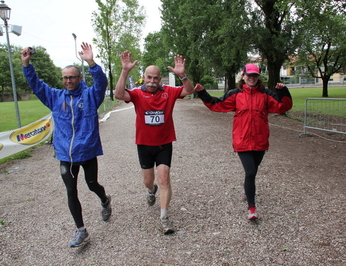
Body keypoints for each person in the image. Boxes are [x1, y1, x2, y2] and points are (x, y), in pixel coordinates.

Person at [21, 43, 112, 247]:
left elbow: (101, 83)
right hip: (65, 154)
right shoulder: (55, 97)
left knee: (92, 184)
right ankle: (81, 231)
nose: (68, 80)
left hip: (87, 151)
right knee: (71, 191)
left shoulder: (91, 96)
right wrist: (27, 65)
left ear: (79, 78)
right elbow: (36, 85)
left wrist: (91, 63)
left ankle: (105, 200)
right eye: (65, 77)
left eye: (72, 77)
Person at [194, 63, 293, 220]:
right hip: (242, 141)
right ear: (243, 75)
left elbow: (282, 107)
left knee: (252, 172)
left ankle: (247, 190)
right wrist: (202, 93)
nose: (252, 78)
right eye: (249, 75)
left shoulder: (266, 94)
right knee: (250, 172)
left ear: (258, 77)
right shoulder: (235, 94)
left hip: (260, 141)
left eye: (254, 75)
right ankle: (252, 208)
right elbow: (217, 104)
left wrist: (283, 91)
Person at [115, 51, 194, 234]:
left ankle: (164, 217)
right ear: (144, 78)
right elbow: (119, 95)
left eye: (155, 78)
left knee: (164, 178)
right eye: (149, 77)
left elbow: (189, 91)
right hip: (144, 144)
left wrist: (182, 75)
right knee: (148, 181)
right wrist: (124, 71)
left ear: (160, 79)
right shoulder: (136, 94)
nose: (152, 81)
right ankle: (151, 191)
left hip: (164, 143)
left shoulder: (168, 92)